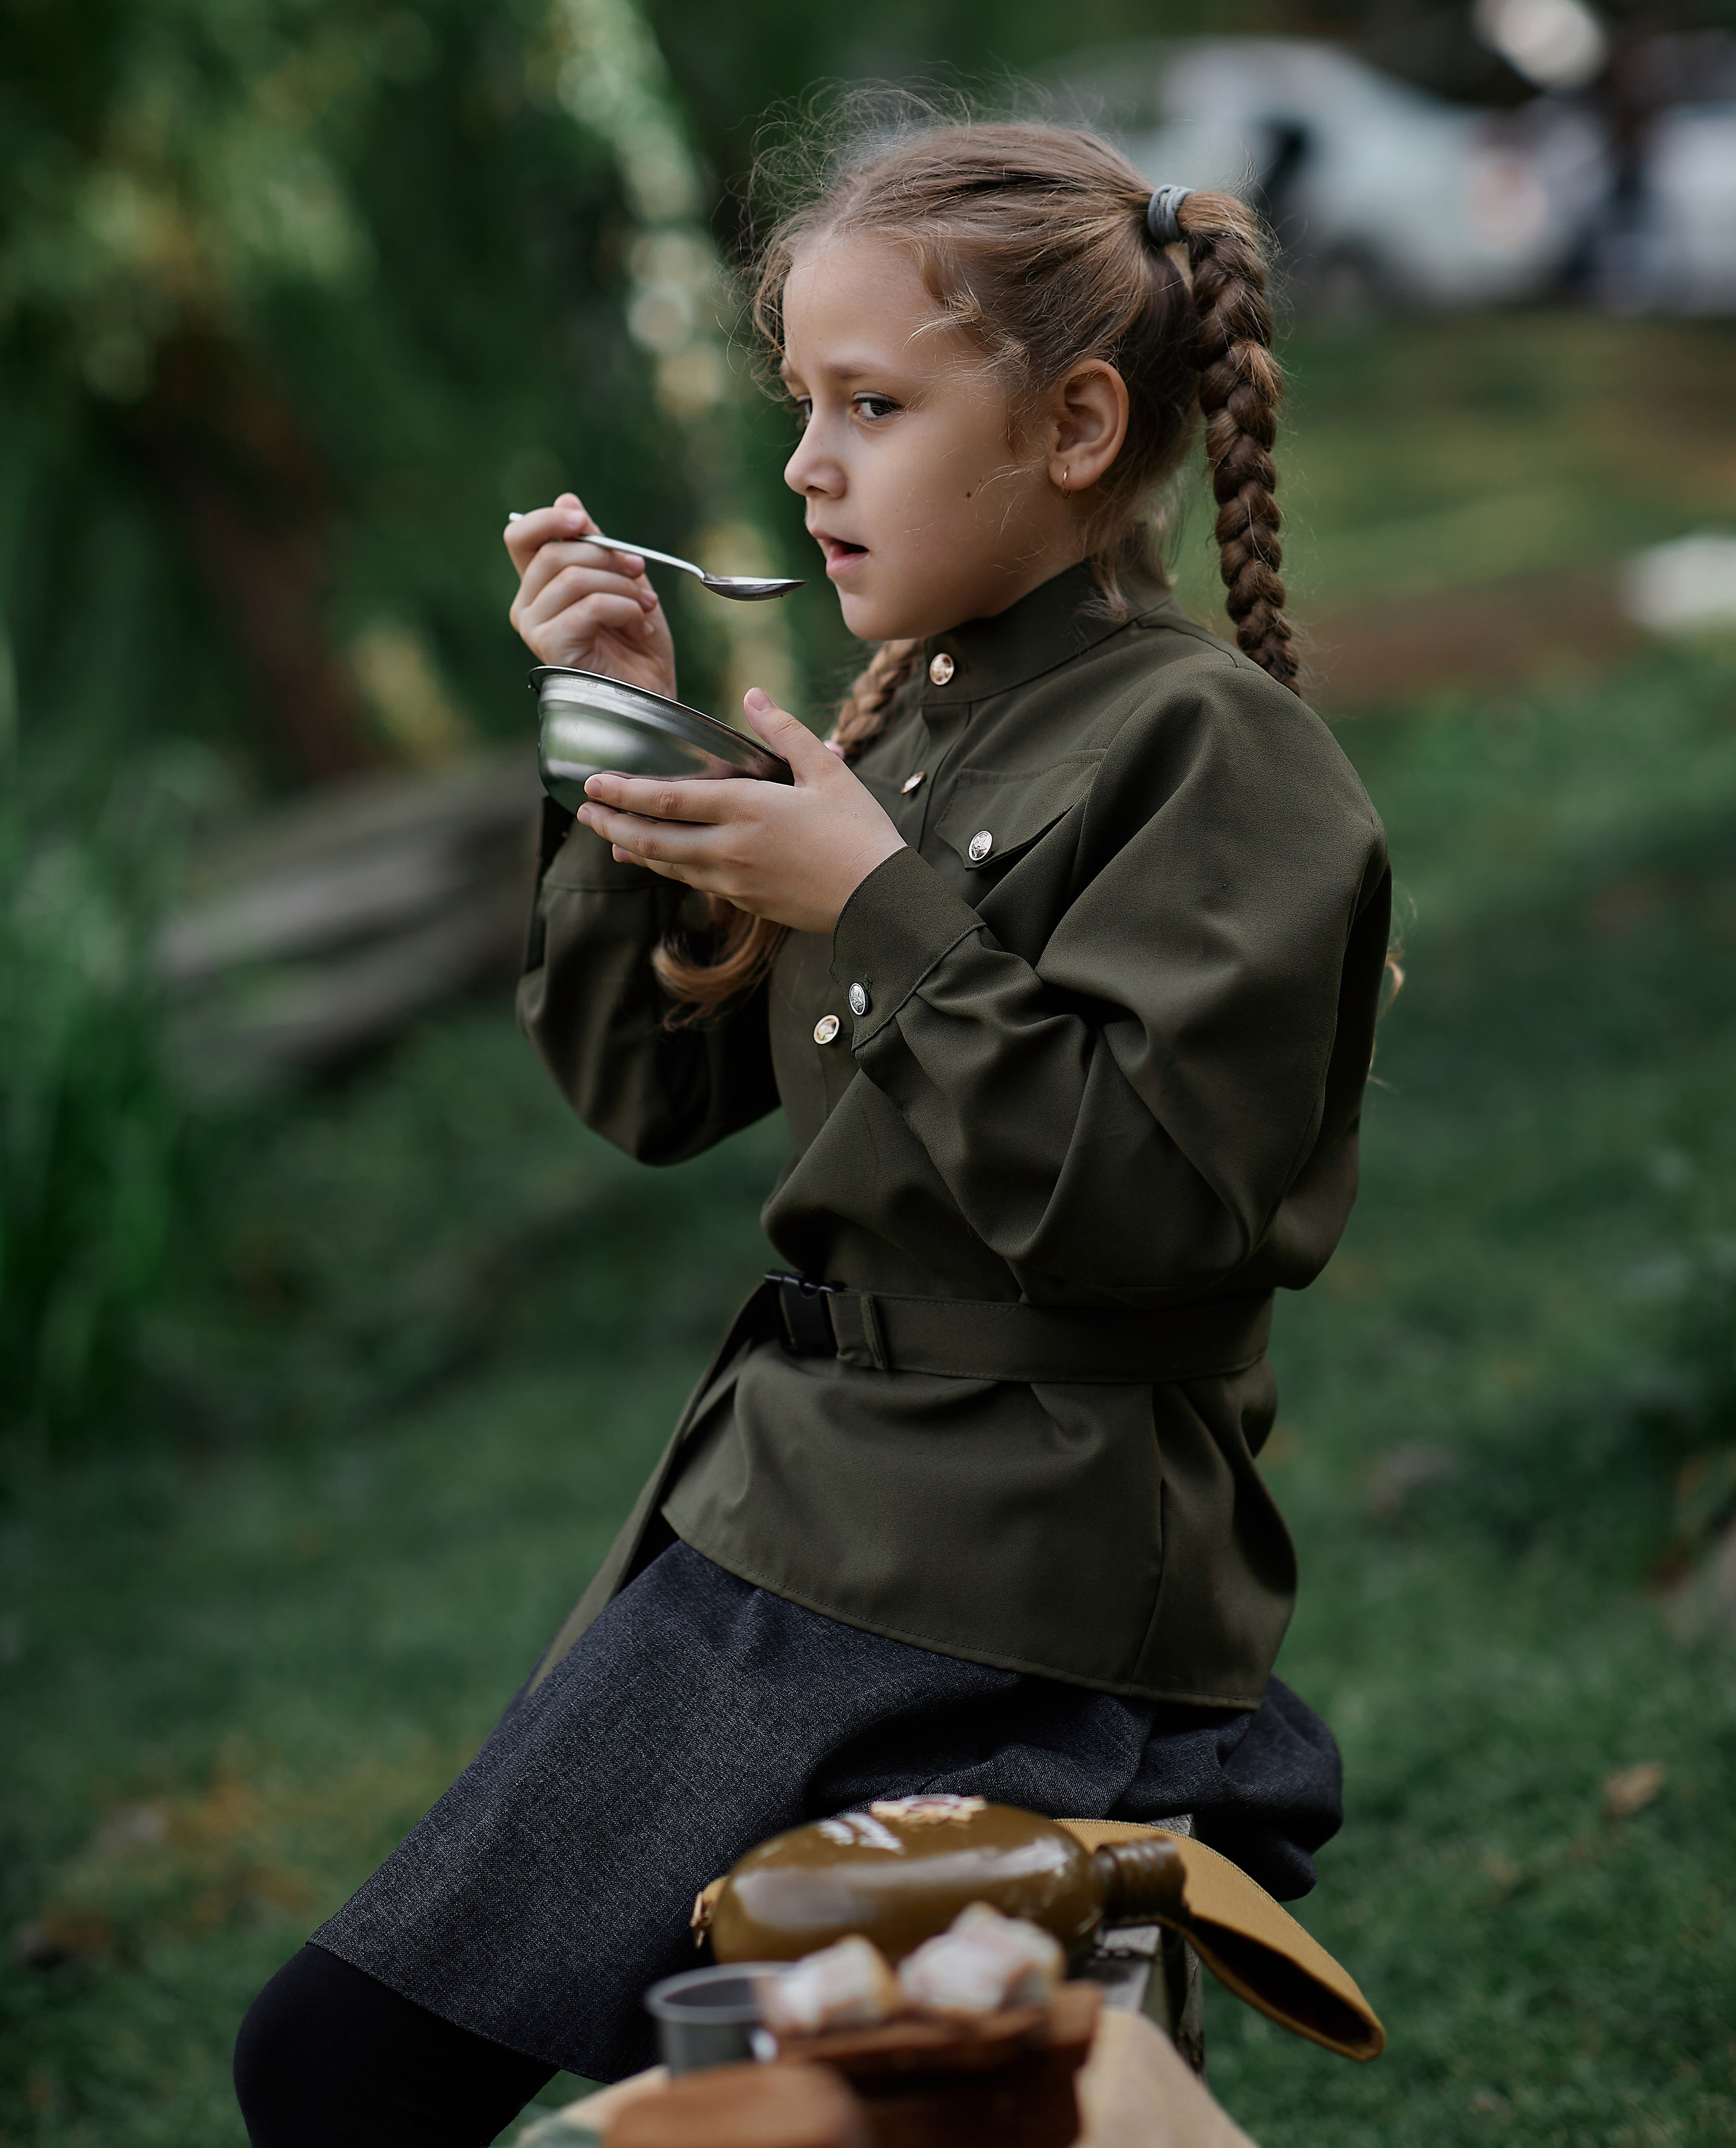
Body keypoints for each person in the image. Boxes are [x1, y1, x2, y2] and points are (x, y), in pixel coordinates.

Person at [235, 121, 1392, 2145]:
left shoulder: (1209, 747)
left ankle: (1134, 1809)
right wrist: (622, 718)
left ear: (1076, 422)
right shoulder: (914, 719)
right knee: (339, 2061)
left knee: (385, 2075)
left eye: (871, 403)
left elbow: (1167, 1208)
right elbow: (652, 1091)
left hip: (992, 1570)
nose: (806, 464)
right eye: (804, 405)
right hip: (793, 1533)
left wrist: (865, 897)